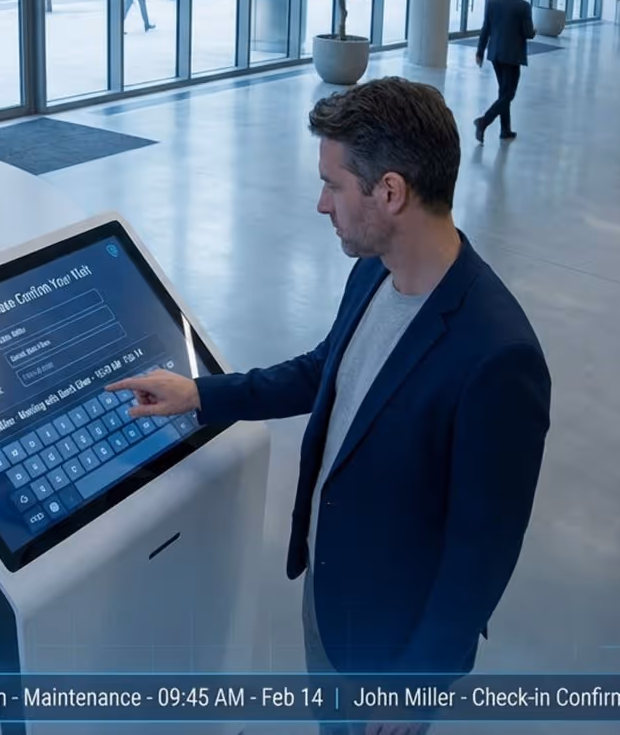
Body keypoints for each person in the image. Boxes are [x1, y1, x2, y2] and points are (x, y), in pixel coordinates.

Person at [108, 77, 551, 734]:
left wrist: (420, 680)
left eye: (334, 184)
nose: (322, 204)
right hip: (331, 597)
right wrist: (202, 395)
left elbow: (481, 552)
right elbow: (325, 372)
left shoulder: (497, 356)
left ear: (391, 192)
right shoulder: (373, 271)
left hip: (389, 647)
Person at [473, 0, 536, 143]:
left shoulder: (493, 3)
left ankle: (505, 129)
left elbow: (485, 29)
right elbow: (528, 32)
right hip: (512, 56)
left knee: (503, 92)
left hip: (495, 54)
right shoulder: (523, 6)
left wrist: (480, 51)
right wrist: (534, 31)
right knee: (508, 94)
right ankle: (484, 121)